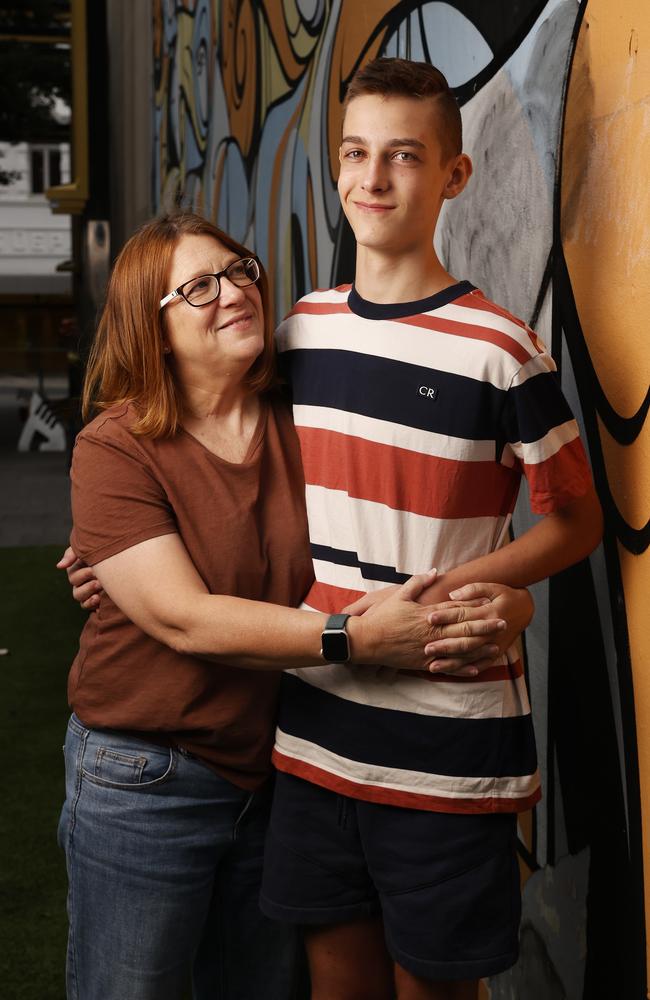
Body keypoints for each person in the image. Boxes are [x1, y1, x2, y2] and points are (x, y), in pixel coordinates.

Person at [57, 211, 530, 1000]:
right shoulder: (117, 448)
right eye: (199, 287)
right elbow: (184, 618)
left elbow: (410, 537)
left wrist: (508, 600)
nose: (234, 291)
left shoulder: (303, 415)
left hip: (279, 775)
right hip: (147, 777)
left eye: (238, 269)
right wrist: (355, 639)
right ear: (152, 325)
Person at [252, 58, 603, 1000]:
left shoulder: (500, 350)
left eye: (403, 156)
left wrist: (471, 588)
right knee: (337, 987)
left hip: (449, 741)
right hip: (316, 726)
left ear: (453, 175)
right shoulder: (300, 333)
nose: (373, 178)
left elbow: (575, 522)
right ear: (335, 169)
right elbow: (228, 467)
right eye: (355, 154)